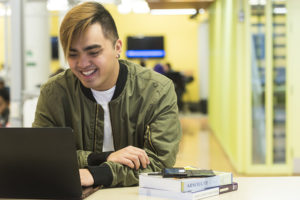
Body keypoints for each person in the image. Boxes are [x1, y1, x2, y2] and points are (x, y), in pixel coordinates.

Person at [33, 2, 181, 188]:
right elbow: (42, 155)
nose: (83, 63)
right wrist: (105, 157)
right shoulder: (54, 92)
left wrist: (96, 174)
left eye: (93, 52)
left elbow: (159, 162)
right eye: (73, 55)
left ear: (117, 47)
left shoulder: (157, 91)